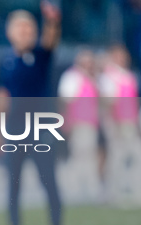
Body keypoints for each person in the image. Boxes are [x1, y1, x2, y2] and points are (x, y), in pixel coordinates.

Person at [0, 0, 65, 225]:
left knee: (49, 181)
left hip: (41, 128)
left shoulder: (41, 55)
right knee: (13, 184)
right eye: (20, 28)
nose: (26, 32)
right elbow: (0, 98)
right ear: (10, 32)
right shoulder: (6, 62)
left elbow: (51, 38)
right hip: (14, 130)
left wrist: (52, 18)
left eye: (29, 27)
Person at [98, 44, 141, 205]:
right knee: (117, 158)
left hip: (129, 122)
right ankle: (114, 193)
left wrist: (137, 123)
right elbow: (108, 102)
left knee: (138, 156)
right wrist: (115, 123)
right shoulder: (109, 76)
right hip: (117, 122)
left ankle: (137, 192)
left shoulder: (128, 76)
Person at [58, 49, 101, 203]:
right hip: (79, 123)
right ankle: (74, 188)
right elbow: (66, 100)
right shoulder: (73, 77)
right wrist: (67, 121)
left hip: (90, 123)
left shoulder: (92, 78)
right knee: (79, 155)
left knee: (88, 156)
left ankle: (90, 188)